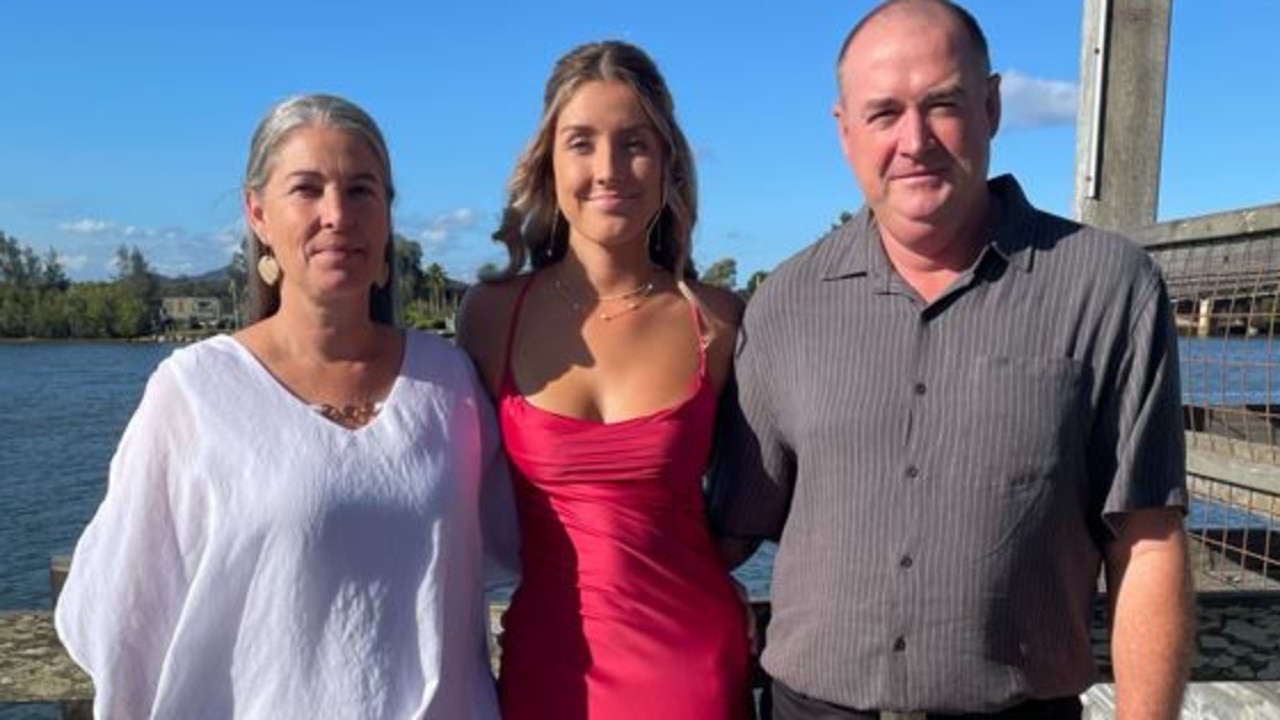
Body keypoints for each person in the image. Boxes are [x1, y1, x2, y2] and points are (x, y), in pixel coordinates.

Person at [709, 1, 1193, 718]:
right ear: (844, 132)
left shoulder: (1108, 288)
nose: (914, 141)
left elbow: (1149, 542)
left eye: (943, 104)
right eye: (883, 113)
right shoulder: (784, 303)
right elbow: (729, 531)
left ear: (992, 105)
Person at [55, 93, 512, 719]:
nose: (337, 214)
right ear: (258, 212)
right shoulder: (193, 392)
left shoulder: (449, 381)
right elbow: (125, 610)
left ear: (386, 214)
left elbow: (520, 543)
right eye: (306, 188)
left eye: (360, 191)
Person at [458, 40, 752, 720]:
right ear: (549, 163)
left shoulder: (719, 322)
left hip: (691, 666)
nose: (609, 169)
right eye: (582, 143)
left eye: (634, 143)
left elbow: (770, 488)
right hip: (546, 664)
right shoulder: (491, 315)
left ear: (668, 162)